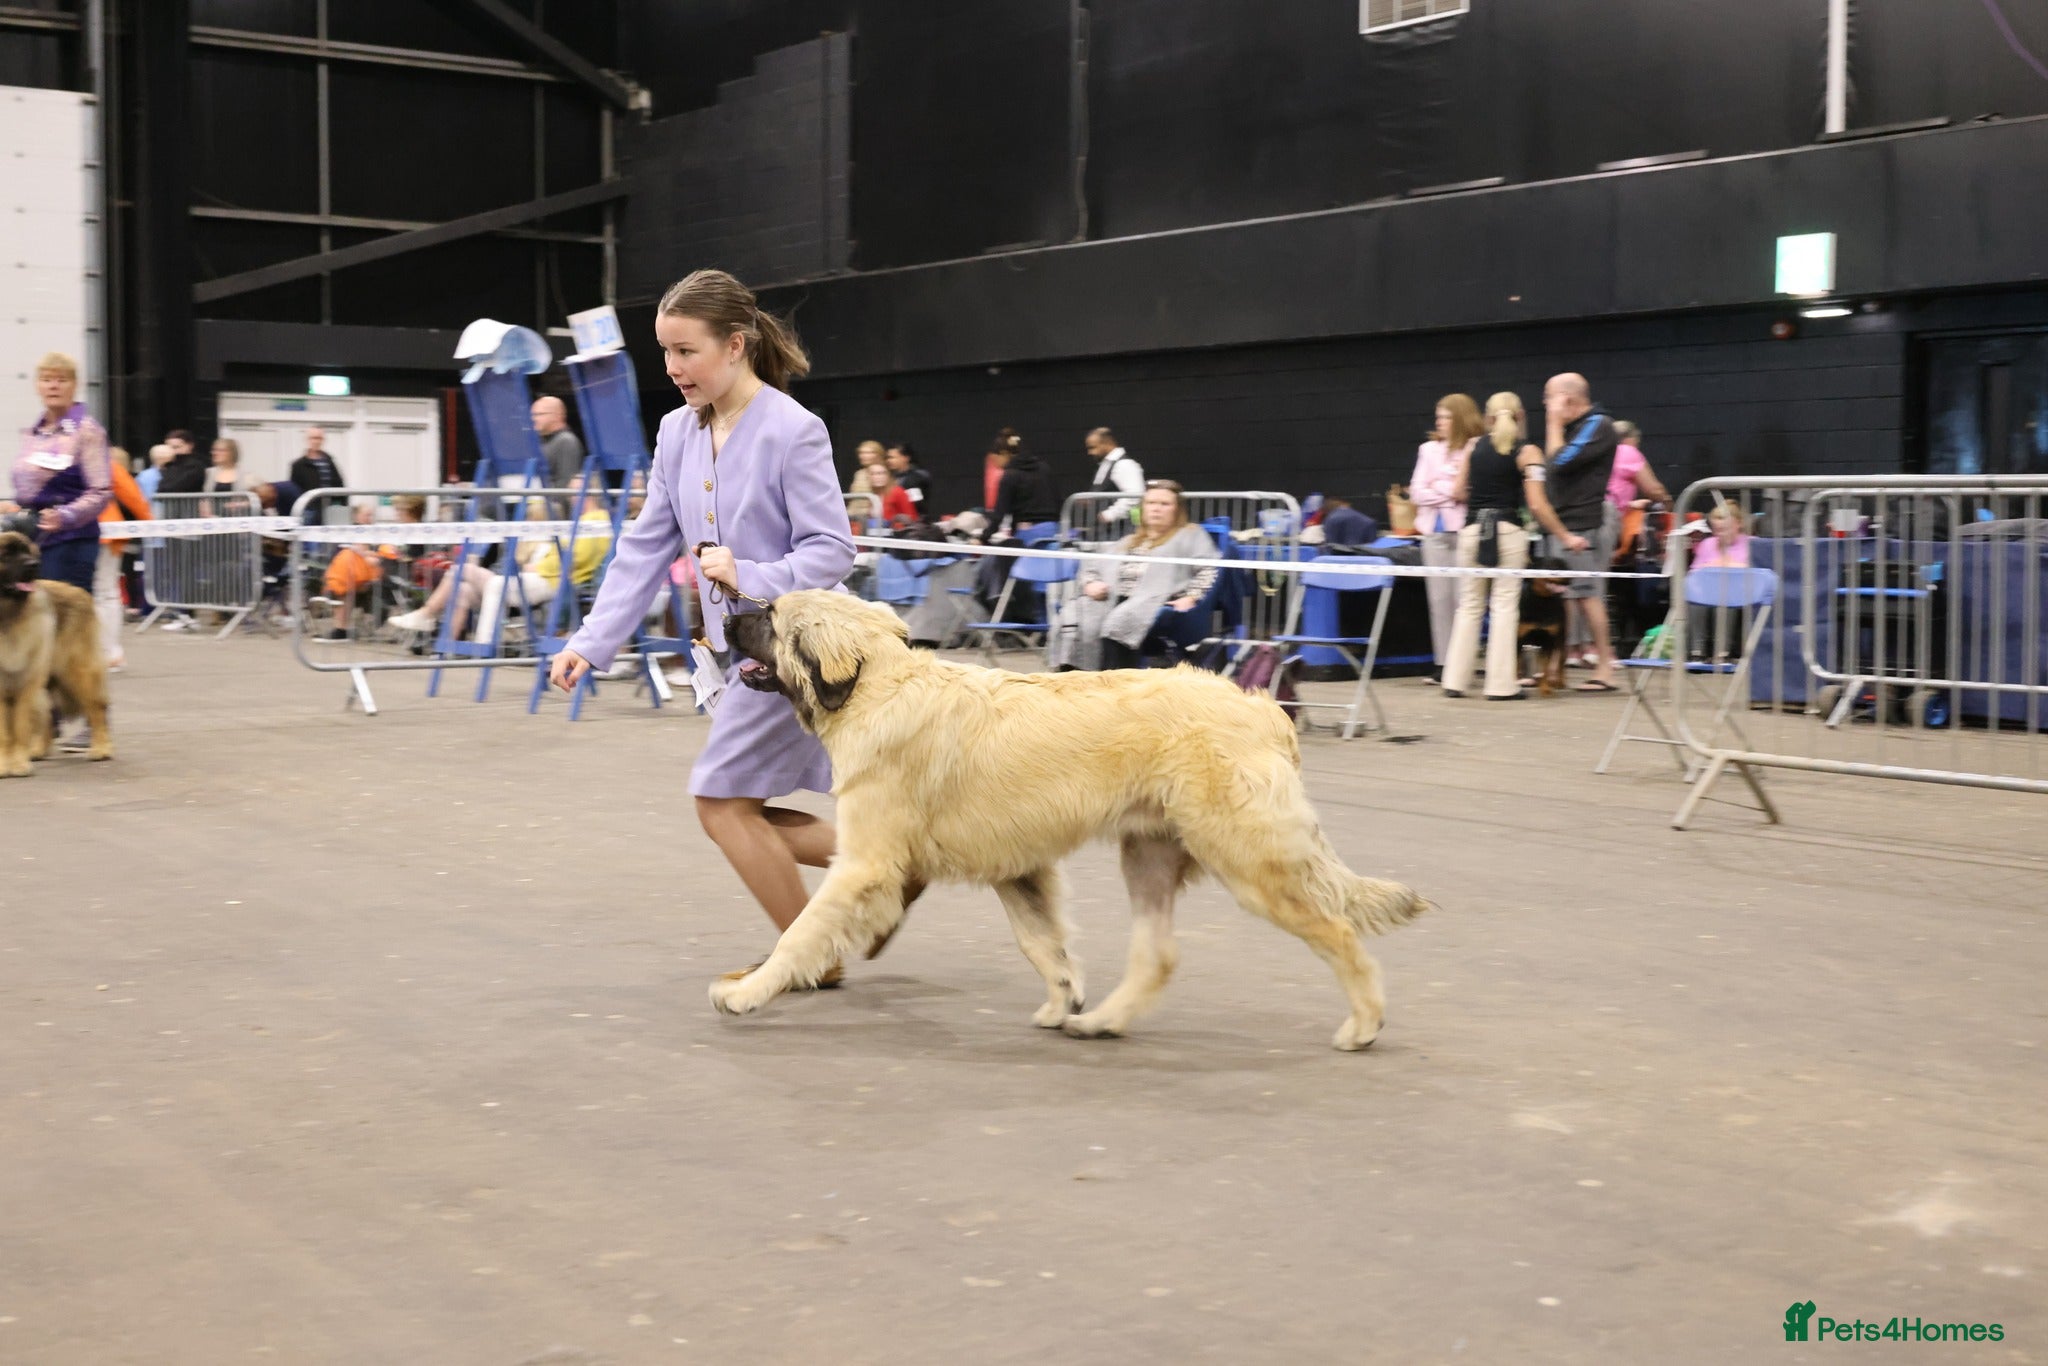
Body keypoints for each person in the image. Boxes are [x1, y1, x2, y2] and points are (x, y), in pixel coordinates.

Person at [548, 268, 857, 976]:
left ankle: (813, 955)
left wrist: (752, 575)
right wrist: (591, 643)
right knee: (740, 805)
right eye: (665, 353)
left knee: (720, 803)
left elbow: (833, 550)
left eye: (685, 351)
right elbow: (645, 548)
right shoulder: (675, 434)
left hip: (787, 651)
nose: (672, 368)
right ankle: (890, 865)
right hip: (737, 656)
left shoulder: (792, 430)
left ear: (736, 345)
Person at [1440, 393, 1576, 701]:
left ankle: (1454, 681)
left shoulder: (1473, 447)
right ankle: (1501, 686)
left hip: (1472, 530)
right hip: (1508, 531)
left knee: (1469, 605)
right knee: (1504, 606)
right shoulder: (1528, 452)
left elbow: (1459, 491)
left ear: (1488, 419)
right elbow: (1538, 505)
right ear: (1521, 418)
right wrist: (1565, 536)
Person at [1051, 480, 1218, 671]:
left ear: (1177, 509)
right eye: (1151, 503)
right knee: (1072, 618)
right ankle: (1070, 684)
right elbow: (1092, 566)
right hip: (1109, 597)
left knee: (1119, 622)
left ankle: (1114, 684)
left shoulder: (1191, 534)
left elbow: (1209, 568)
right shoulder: (1129, 540)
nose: (1156, 509)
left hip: (1151, 600)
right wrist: (1091, 583)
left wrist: (1192, 596)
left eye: (1165, 504)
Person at [4, 352, 111, 595]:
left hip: (71, 542)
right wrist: (14, 506)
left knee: (66, 627)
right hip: (31, 541)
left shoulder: (88, 431)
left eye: (61, 380)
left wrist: (65, 516)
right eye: (47, 379)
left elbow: (101, 492)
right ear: (37, 386)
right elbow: (31, 490)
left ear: (74, 386)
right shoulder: (33, 432)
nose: (53, 386)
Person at [1541, 372, 1621, 692]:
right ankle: (1555, 665)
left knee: (1588, 597)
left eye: (1549, 399)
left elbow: (1559, 462)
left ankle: (1605, 666)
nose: (1546, 405)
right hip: (1561, 522)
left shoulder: (1598, 425)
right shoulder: (1574, 428)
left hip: (1581, 525)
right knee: (1564, 599)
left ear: (1568, 400)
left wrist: (1552, 423)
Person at [1409, 394, 1482, 682]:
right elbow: (1416, 492)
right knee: (1439, 600)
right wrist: (1450, 490)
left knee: (1466, 600)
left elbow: (1471, 492)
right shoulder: (1428, 450)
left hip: (1464, 532)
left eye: (1446, 416)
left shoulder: (1475, 448)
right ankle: (1442, 663)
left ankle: (1463, 662)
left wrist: (1438, 487)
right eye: (1438, 417)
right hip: (1434, 533)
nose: (1439, 422)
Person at [94, 448, 152, 669]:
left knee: (95, 593)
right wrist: (149, 522)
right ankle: (110, 653)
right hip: (104, 532)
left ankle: (107, 653)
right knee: (106, 592)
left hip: (78, 534)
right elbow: (132, 494)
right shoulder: (102, 462)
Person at [1083, 427, 1145, 527]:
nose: (1090, 453)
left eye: (1093, 447)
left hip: (1119, 533)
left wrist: (1109, 515)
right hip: (1106, 532)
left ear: (1107, 443)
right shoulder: (1106, 464)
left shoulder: (1124, 464)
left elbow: (1135, 496)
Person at [527, 397, 585, 493]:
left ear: (557, 416)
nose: (534, 419)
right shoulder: (539, 441)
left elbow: (566, 484)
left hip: (551, 502)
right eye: (532, 415)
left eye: (540, 414)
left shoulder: (566, 441)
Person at [1692, 501, 1752, 568]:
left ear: (1738, 523)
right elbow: (1694, 574)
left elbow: (1761, 573)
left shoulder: (1753, 544)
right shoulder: (1707, 544)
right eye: (1717, 530)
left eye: (1725, 529)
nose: (1720, 535)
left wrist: (1732, 565)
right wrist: (1712, 565)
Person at [289, 426, 347, 495]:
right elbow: (294, 491)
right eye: (313, 438)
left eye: (319, 438)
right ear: (307, 440)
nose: (316, 441)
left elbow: (339, 486)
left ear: (323, 440)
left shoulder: (329, 462)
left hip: (329, 504)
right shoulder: (298, 465)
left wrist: (339, 504)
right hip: (309, 504)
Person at [156, 430, 207, 495]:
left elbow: (173, 487)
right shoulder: (167, 465)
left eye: (176, 447)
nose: (172, 451)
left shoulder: (195, 466)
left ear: (190, 446)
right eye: (169, 448)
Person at [885, 442, 931, 511]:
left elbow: (916, 505)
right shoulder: (890, 476)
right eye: (888, 458)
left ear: (905, 458)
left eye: (892, 458)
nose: (889, 461)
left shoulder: (916, 477)